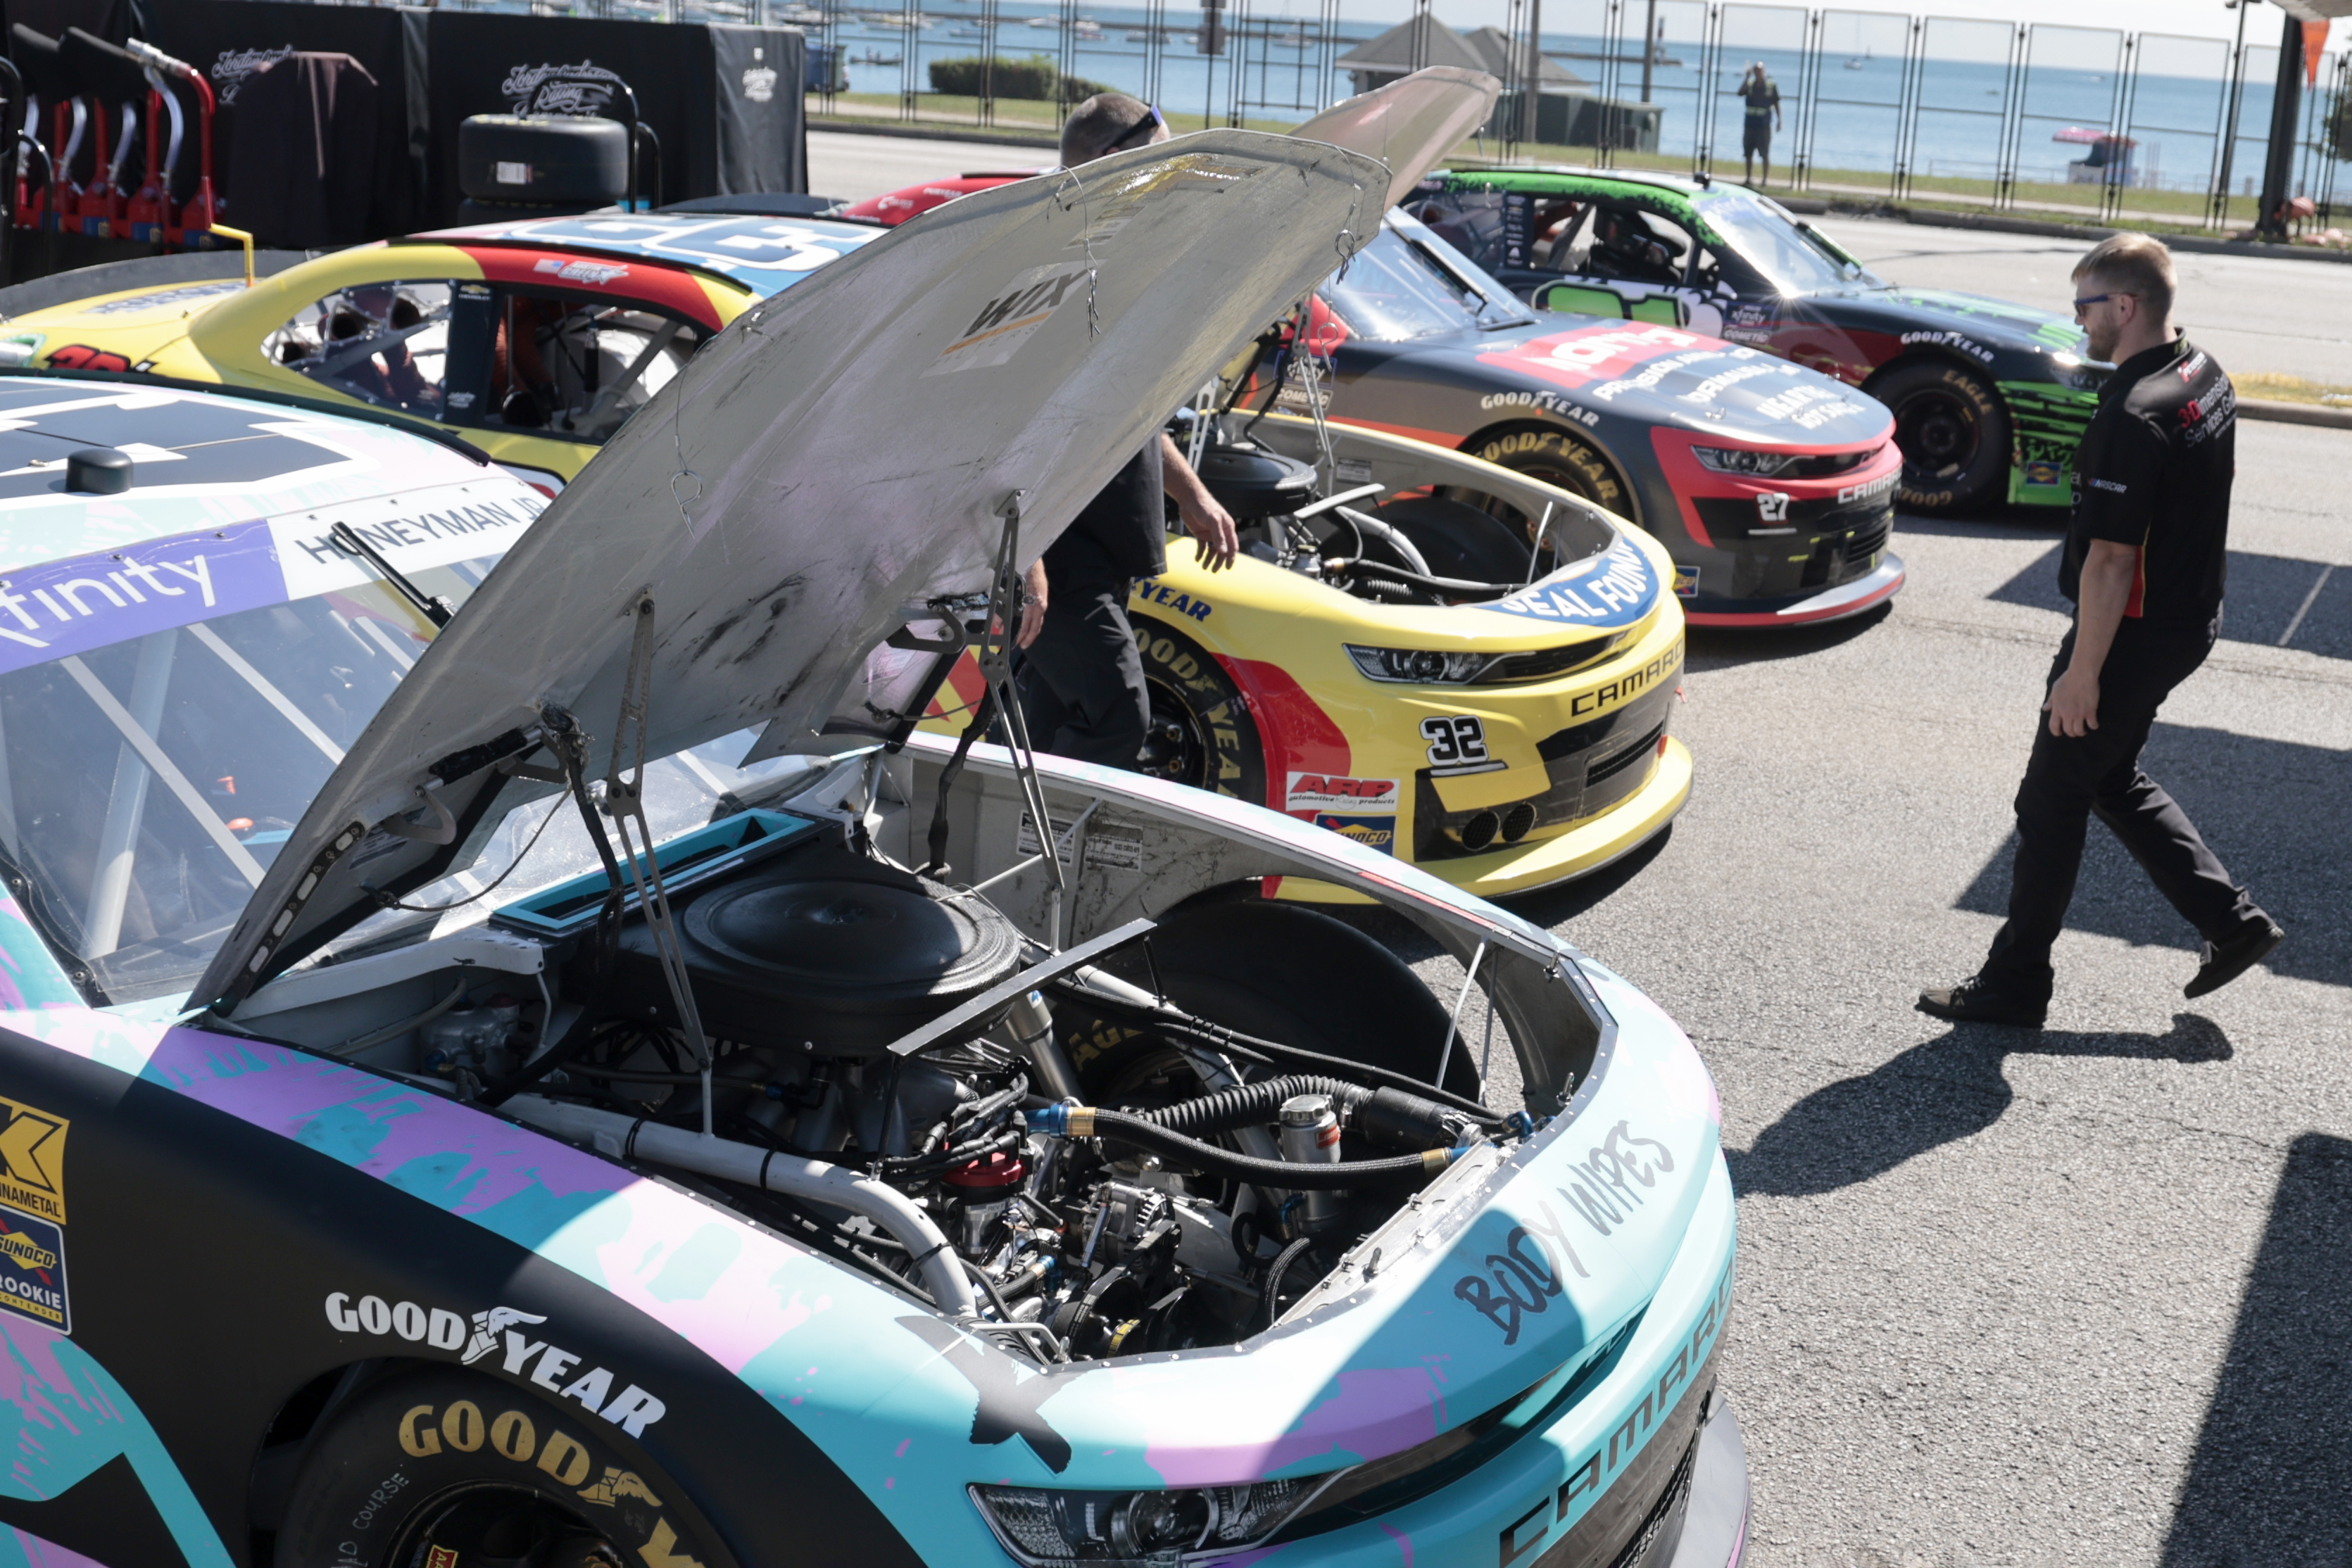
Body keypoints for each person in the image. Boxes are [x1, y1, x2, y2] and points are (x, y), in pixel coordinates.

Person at [1918, 234, 2283, 1029]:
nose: (2074, 318)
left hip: (2131, 632)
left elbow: (2112, 560)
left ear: (2123, 307)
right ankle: (2230, 921)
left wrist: (2081, 672)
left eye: (2082, 304)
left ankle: (2016, 984)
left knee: (2050, 797)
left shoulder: (2134, 410)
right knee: (2106, 775)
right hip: (2188, 618)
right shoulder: (2201, 372)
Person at [1013, 94, 1238, 767]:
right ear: (1114, 161)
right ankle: (1051, 864)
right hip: (1059, 553)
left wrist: (1190, 495)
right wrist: (1023, 559)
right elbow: (1003, 427)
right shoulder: (1049, 268)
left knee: (1034, 734)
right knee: (1115, 719)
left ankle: (1003, 855)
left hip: (1103, 558)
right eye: (1162, 158)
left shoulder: (1115, 267)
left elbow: (1128, 416)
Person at [1738, 63, 1781, 188]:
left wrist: (1779, 121)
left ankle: (1764, 180)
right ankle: (1748, 178)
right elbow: (1740, 93)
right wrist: (1746, 78)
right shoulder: (1750, 84)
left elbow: (1777, 103)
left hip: (1764, 125)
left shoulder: (1771, 86)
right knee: (1748, 152)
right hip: (1750, 123)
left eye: (1760, 70)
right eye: (1756, 71)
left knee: (1765, 153)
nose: (1758, 73)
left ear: (1764, 71)